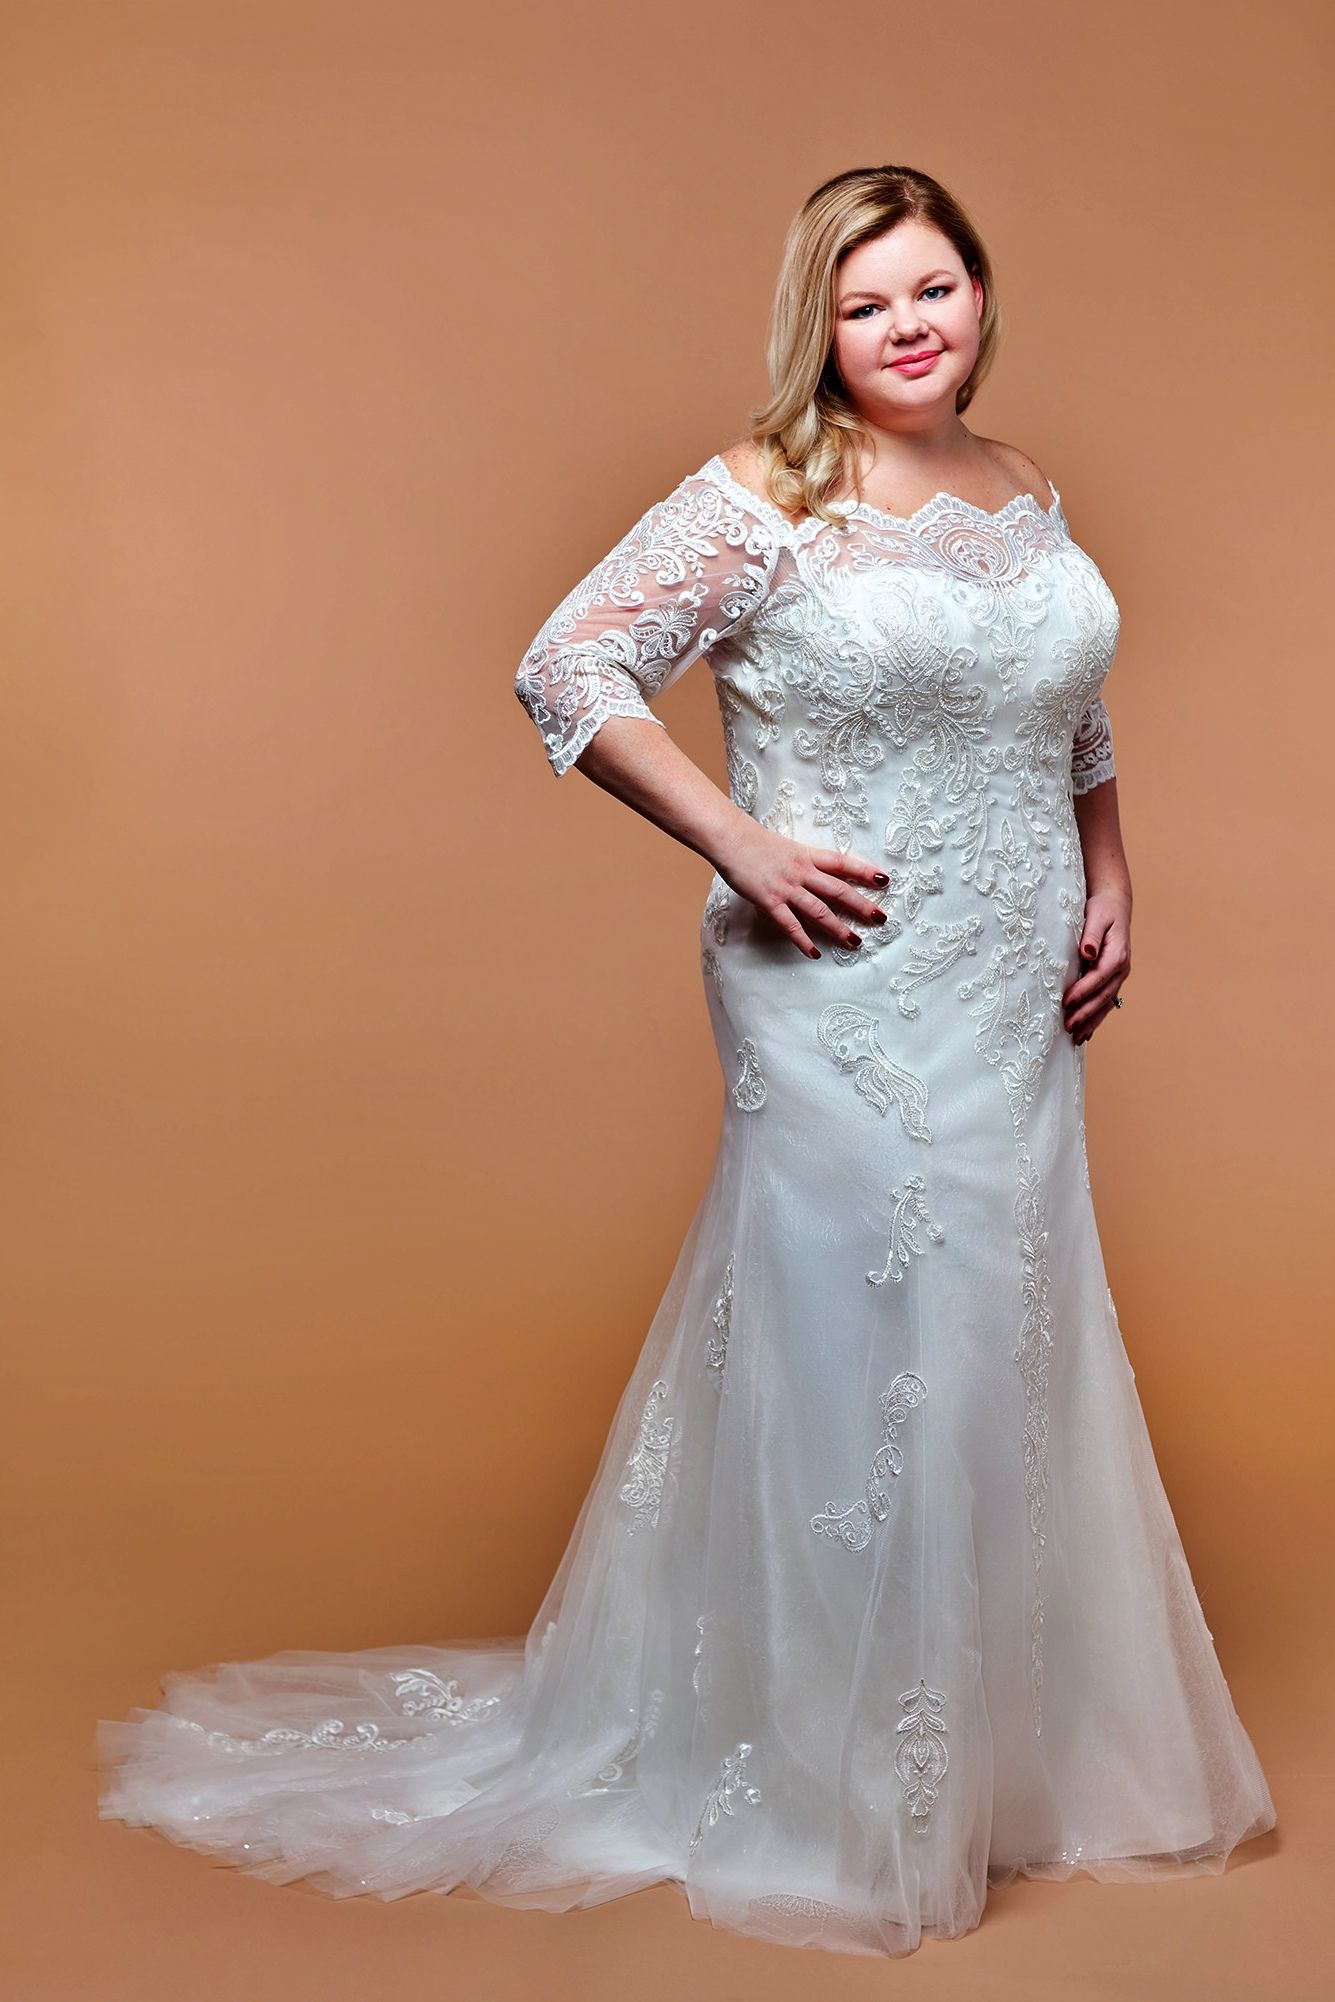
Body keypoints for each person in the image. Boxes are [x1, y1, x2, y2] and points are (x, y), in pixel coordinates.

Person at [94, 164, 1276, 1961]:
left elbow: (1068, 708)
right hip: (840, 980)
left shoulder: (1029, 490)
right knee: (862, 1345)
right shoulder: (766, 497)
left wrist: (1115, 870)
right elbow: (568, 662)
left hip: (1014, 981)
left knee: (994, 1333)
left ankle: (983, 1759)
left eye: (937, 287)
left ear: (982, 295)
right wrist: (741, 843)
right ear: (822, 318)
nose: (910, 325)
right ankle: (832, 1781)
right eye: (870, 299)